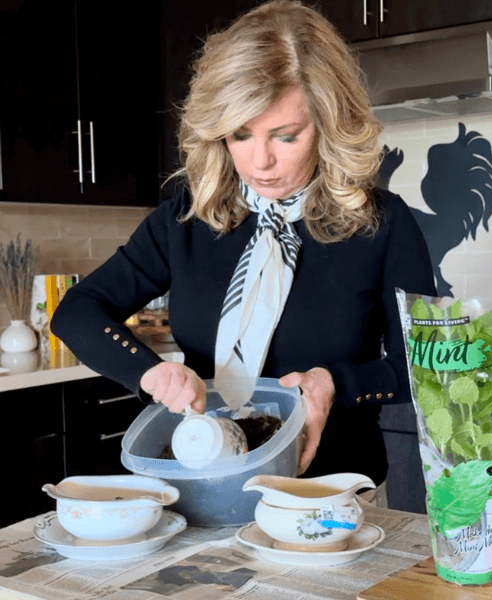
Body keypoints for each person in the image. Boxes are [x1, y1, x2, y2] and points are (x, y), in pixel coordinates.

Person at [50, 0, 436, 501]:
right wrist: (152, 373)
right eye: (240, 134)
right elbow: (77, 312)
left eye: (286, 135)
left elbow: (429, 365)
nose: (262, 162)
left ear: (328, 122)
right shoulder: (187, 218)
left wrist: (334, 383)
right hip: (202, 490)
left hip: (331, 497)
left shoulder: (382, 224)